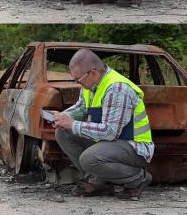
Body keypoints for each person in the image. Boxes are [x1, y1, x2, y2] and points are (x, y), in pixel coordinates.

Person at [52, 49, 154, 200]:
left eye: (78, 79)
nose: (77, 83)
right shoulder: (90, 85)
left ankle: (138, 179)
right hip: (112, 143)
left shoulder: (117, 89)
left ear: (93, 73)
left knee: (89, 158)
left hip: (134, 147)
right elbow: (81, 108)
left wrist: (73, 124)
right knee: (63, 132)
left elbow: (110, 132)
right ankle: (98, 182)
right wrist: (64, 116)